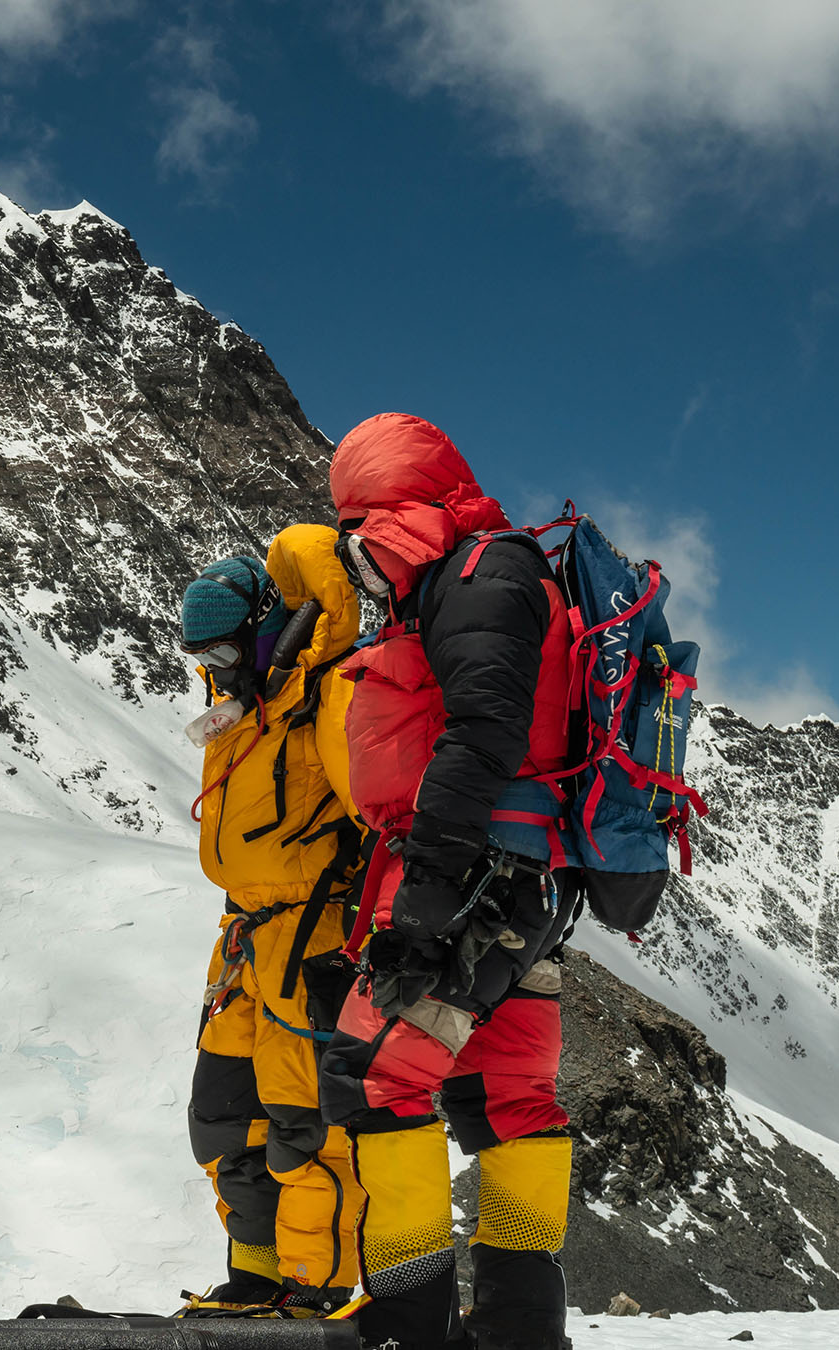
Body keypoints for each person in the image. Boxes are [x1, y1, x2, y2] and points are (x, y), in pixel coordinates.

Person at [316, 413, 579, 1350]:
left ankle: (410, 1322)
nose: (359, 566)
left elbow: (483, 731)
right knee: (509, 1101)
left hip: (470, 882)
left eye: (358, 538)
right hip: (521, 888)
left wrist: (427, 883)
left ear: (387, 516)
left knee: (371, 1077)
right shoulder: (492, 572)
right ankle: (520, 1332)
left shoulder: (478, 578)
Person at [175, 528, 369, 1318]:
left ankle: (313, 1291)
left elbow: (374, 813)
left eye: (222, 654)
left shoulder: (327, 694)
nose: (212, 674)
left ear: (267, 627)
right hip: (246, 938)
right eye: (202, 661)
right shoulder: (241, 710)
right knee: (223, 1121)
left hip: (313, 938)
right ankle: (254, 1279)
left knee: (305, 1128)